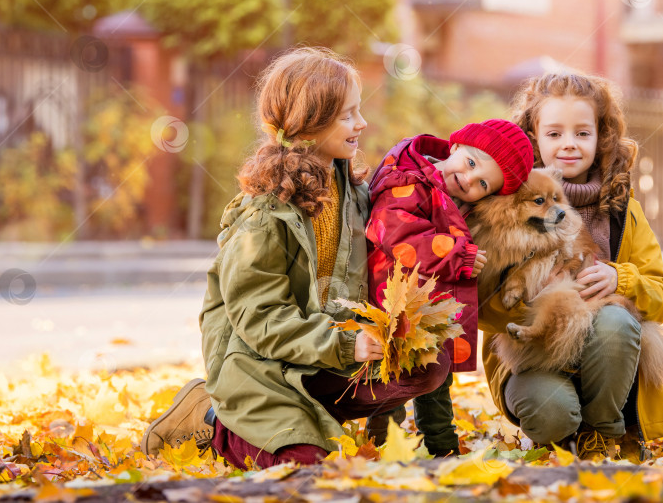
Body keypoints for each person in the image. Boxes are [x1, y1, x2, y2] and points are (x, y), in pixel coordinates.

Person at [140, 47, 451, 469]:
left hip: (323, 357)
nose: (361, 124)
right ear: (309, 123)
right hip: (261, 366)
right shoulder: (265, 216)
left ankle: (315, 417)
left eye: (358, 111)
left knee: (427, 362)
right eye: (347, 115)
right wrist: (345, 343)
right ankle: (212, 418)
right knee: (304, 469)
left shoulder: (355, 196)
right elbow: (259, 319)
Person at [479, 72, 663, 461]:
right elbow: (481, 305)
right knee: (551, 413)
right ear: (533, 138)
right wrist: (531, 293)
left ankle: (604, 433)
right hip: (532, 353)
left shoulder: (623, 210)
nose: (568, 144)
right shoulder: (503, 200)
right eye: (554, 134)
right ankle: (558, 435)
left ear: (601, 137)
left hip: (605, 353)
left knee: (616, 322)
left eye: (582, 134)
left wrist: (618, 277)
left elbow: (661, 293)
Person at [364, 120, 534, 456]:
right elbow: (396, 233)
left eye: (482, 183)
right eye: (471, 163)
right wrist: (460, 255)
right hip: (391, 303)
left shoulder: (442, 189)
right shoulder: (406, 180)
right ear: (455, 146)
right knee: (392, 381)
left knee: (437, 380)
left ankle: (441, 445)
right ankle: (382, 448)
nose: (469, 179)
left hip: (425, 309)